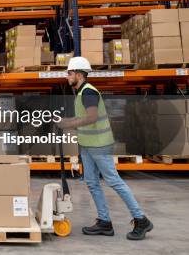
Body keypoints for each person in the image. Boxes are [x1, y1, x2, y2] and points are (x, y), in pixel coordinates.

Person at [58, 56, 153, 240]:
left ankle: (141, 219)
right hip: (87, 145)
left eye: (69, 73)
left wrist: (67, 123)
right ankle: (104, 222)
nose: (67, 76)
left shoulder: (88, 93)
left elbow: (91, 117)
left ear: (78, 74)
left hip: (100, 145)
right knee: (92, 183)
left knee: (114, 181)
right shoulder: (80, 92)